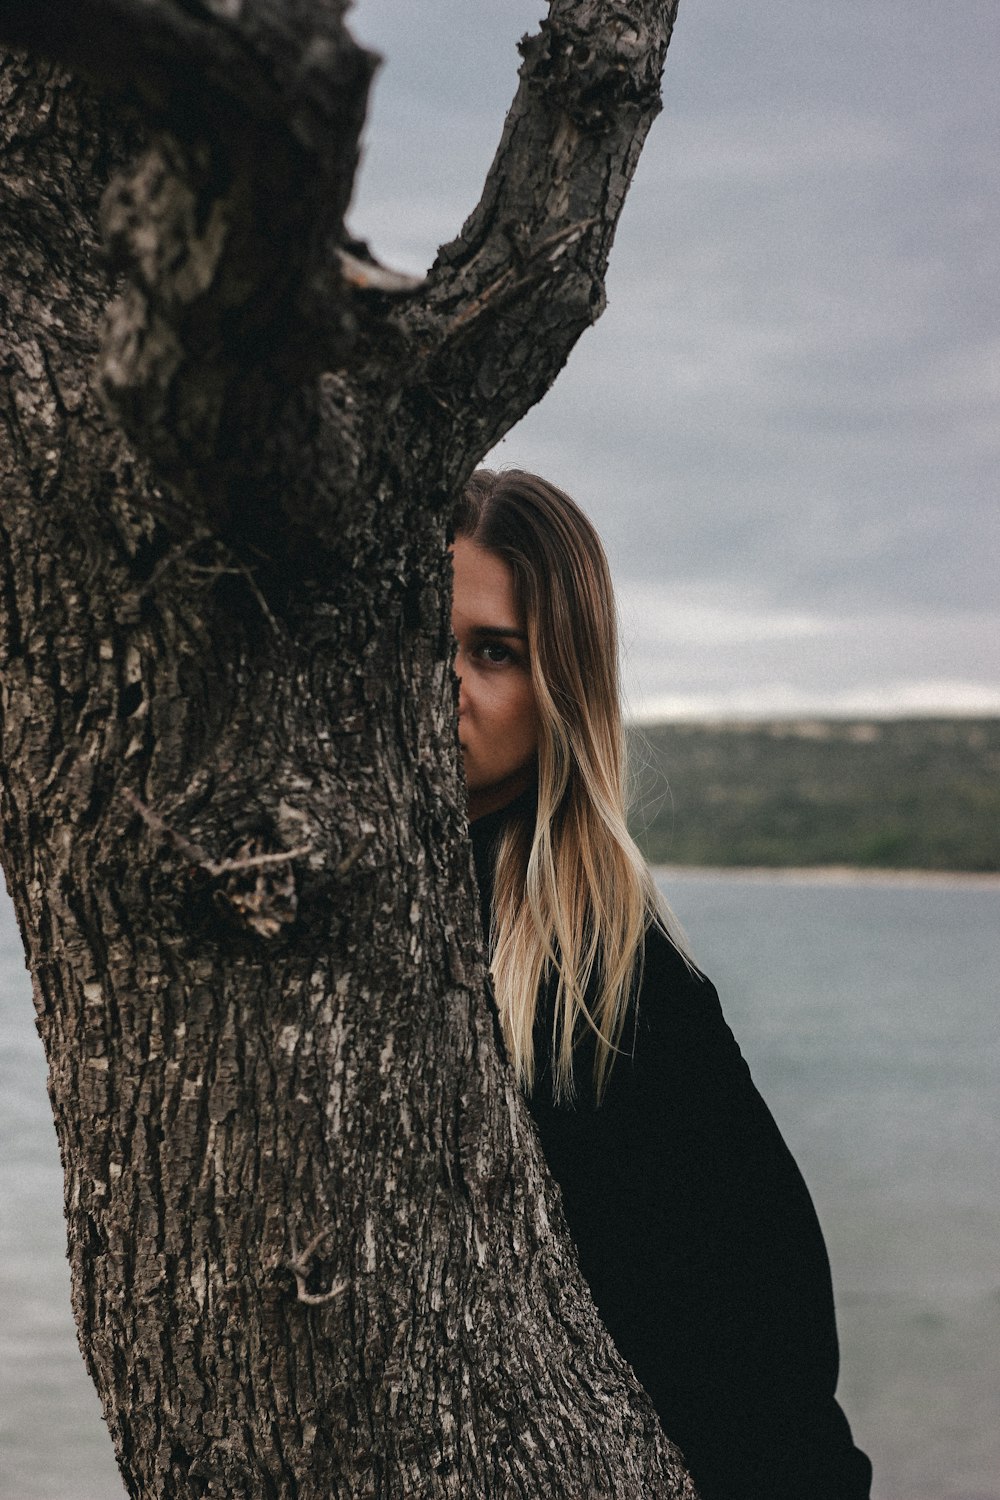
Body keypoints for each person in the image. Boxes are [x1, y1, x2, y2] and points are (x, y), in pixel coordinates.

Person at [452, 467, 873, 1500]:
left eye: (492, 653)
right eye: (416, 639)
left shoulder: (607, 978)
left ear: (562, 689)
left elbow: (769, 1340)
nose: (442, 682)